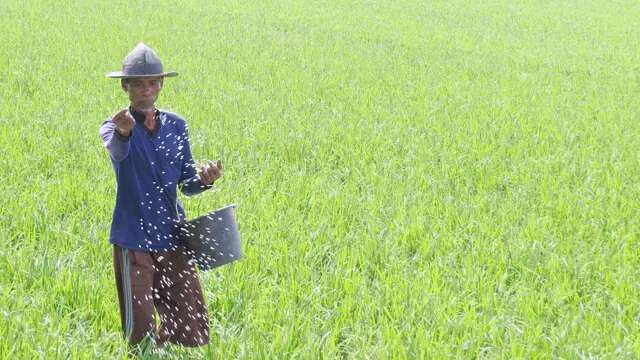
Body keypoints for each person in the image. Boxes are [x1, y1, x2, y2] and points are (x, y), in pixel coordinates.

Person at [100, 43, 221, 351]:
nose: (146, 89)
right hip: (133, 239)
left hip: (172, 234)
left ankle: (166, 351)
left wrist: (204, 180)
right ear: (125, 87)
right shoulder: (114, 126)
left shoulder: (176, 126)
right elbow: (117, 151)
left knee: (188, 319)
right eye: (138, 84)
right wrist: (125, 132)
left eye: (152, 82)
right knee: (138, 327)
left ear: (161, 84)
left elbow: (187, 183)